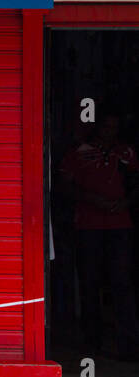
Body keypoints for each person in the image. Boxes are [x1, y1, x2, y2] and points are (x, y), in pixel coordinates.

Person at [60, 112, 139, 360]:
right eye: (106, 126)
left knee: (122, 283)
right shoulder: (79, 152)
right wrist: (92, 199)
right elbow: (64, 186)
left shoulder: (126, 152)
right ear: (97, 127)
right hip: (88, 226)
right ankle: (91, 342)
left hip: (120, 226)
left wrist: (126, 202)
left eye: (114, 127)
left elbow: (136, 183)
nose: (109, 131)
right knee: (90, 283)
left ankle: (129, 346)